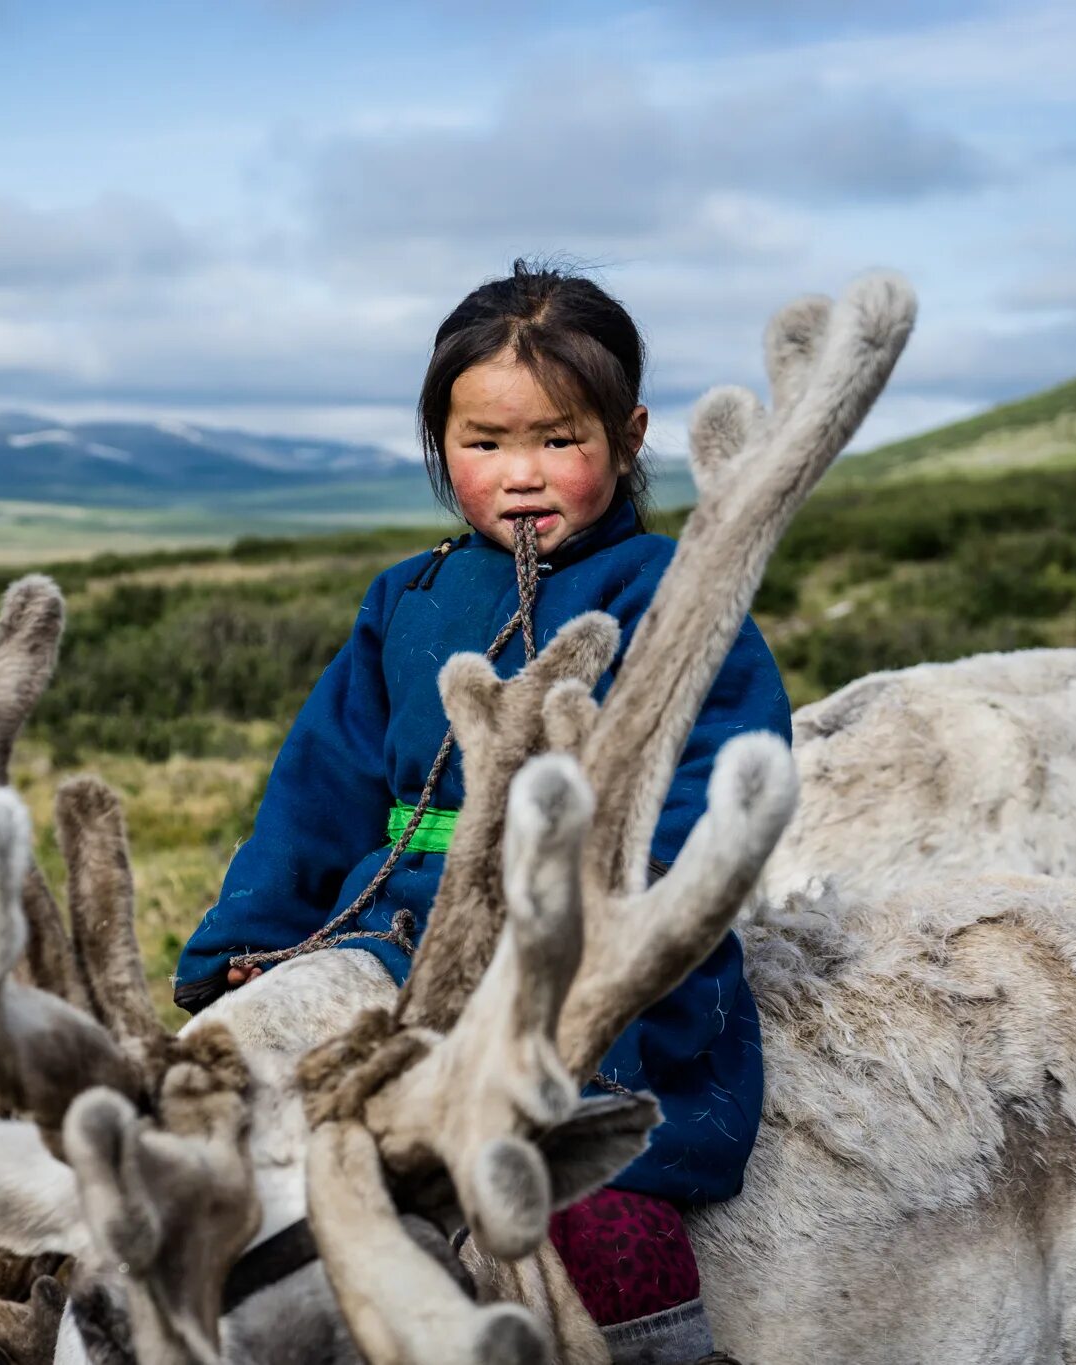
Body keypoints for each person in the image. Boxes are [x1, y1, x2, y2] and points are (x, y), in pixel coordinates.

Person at [173, 260, 790, 1363]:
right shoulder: (403, 599)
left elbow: (711, 789)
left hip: (589, 960)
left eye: (557, 440)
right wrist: (254, 939)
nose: (520, 477)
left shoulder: (672, 593)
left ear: (629, 432)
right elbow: (321, 785)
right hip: (394, 930)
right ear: (436, 440)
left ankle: (663, 1350)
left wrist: (603, 934)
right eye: (482, 443)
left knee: (576, 1186)